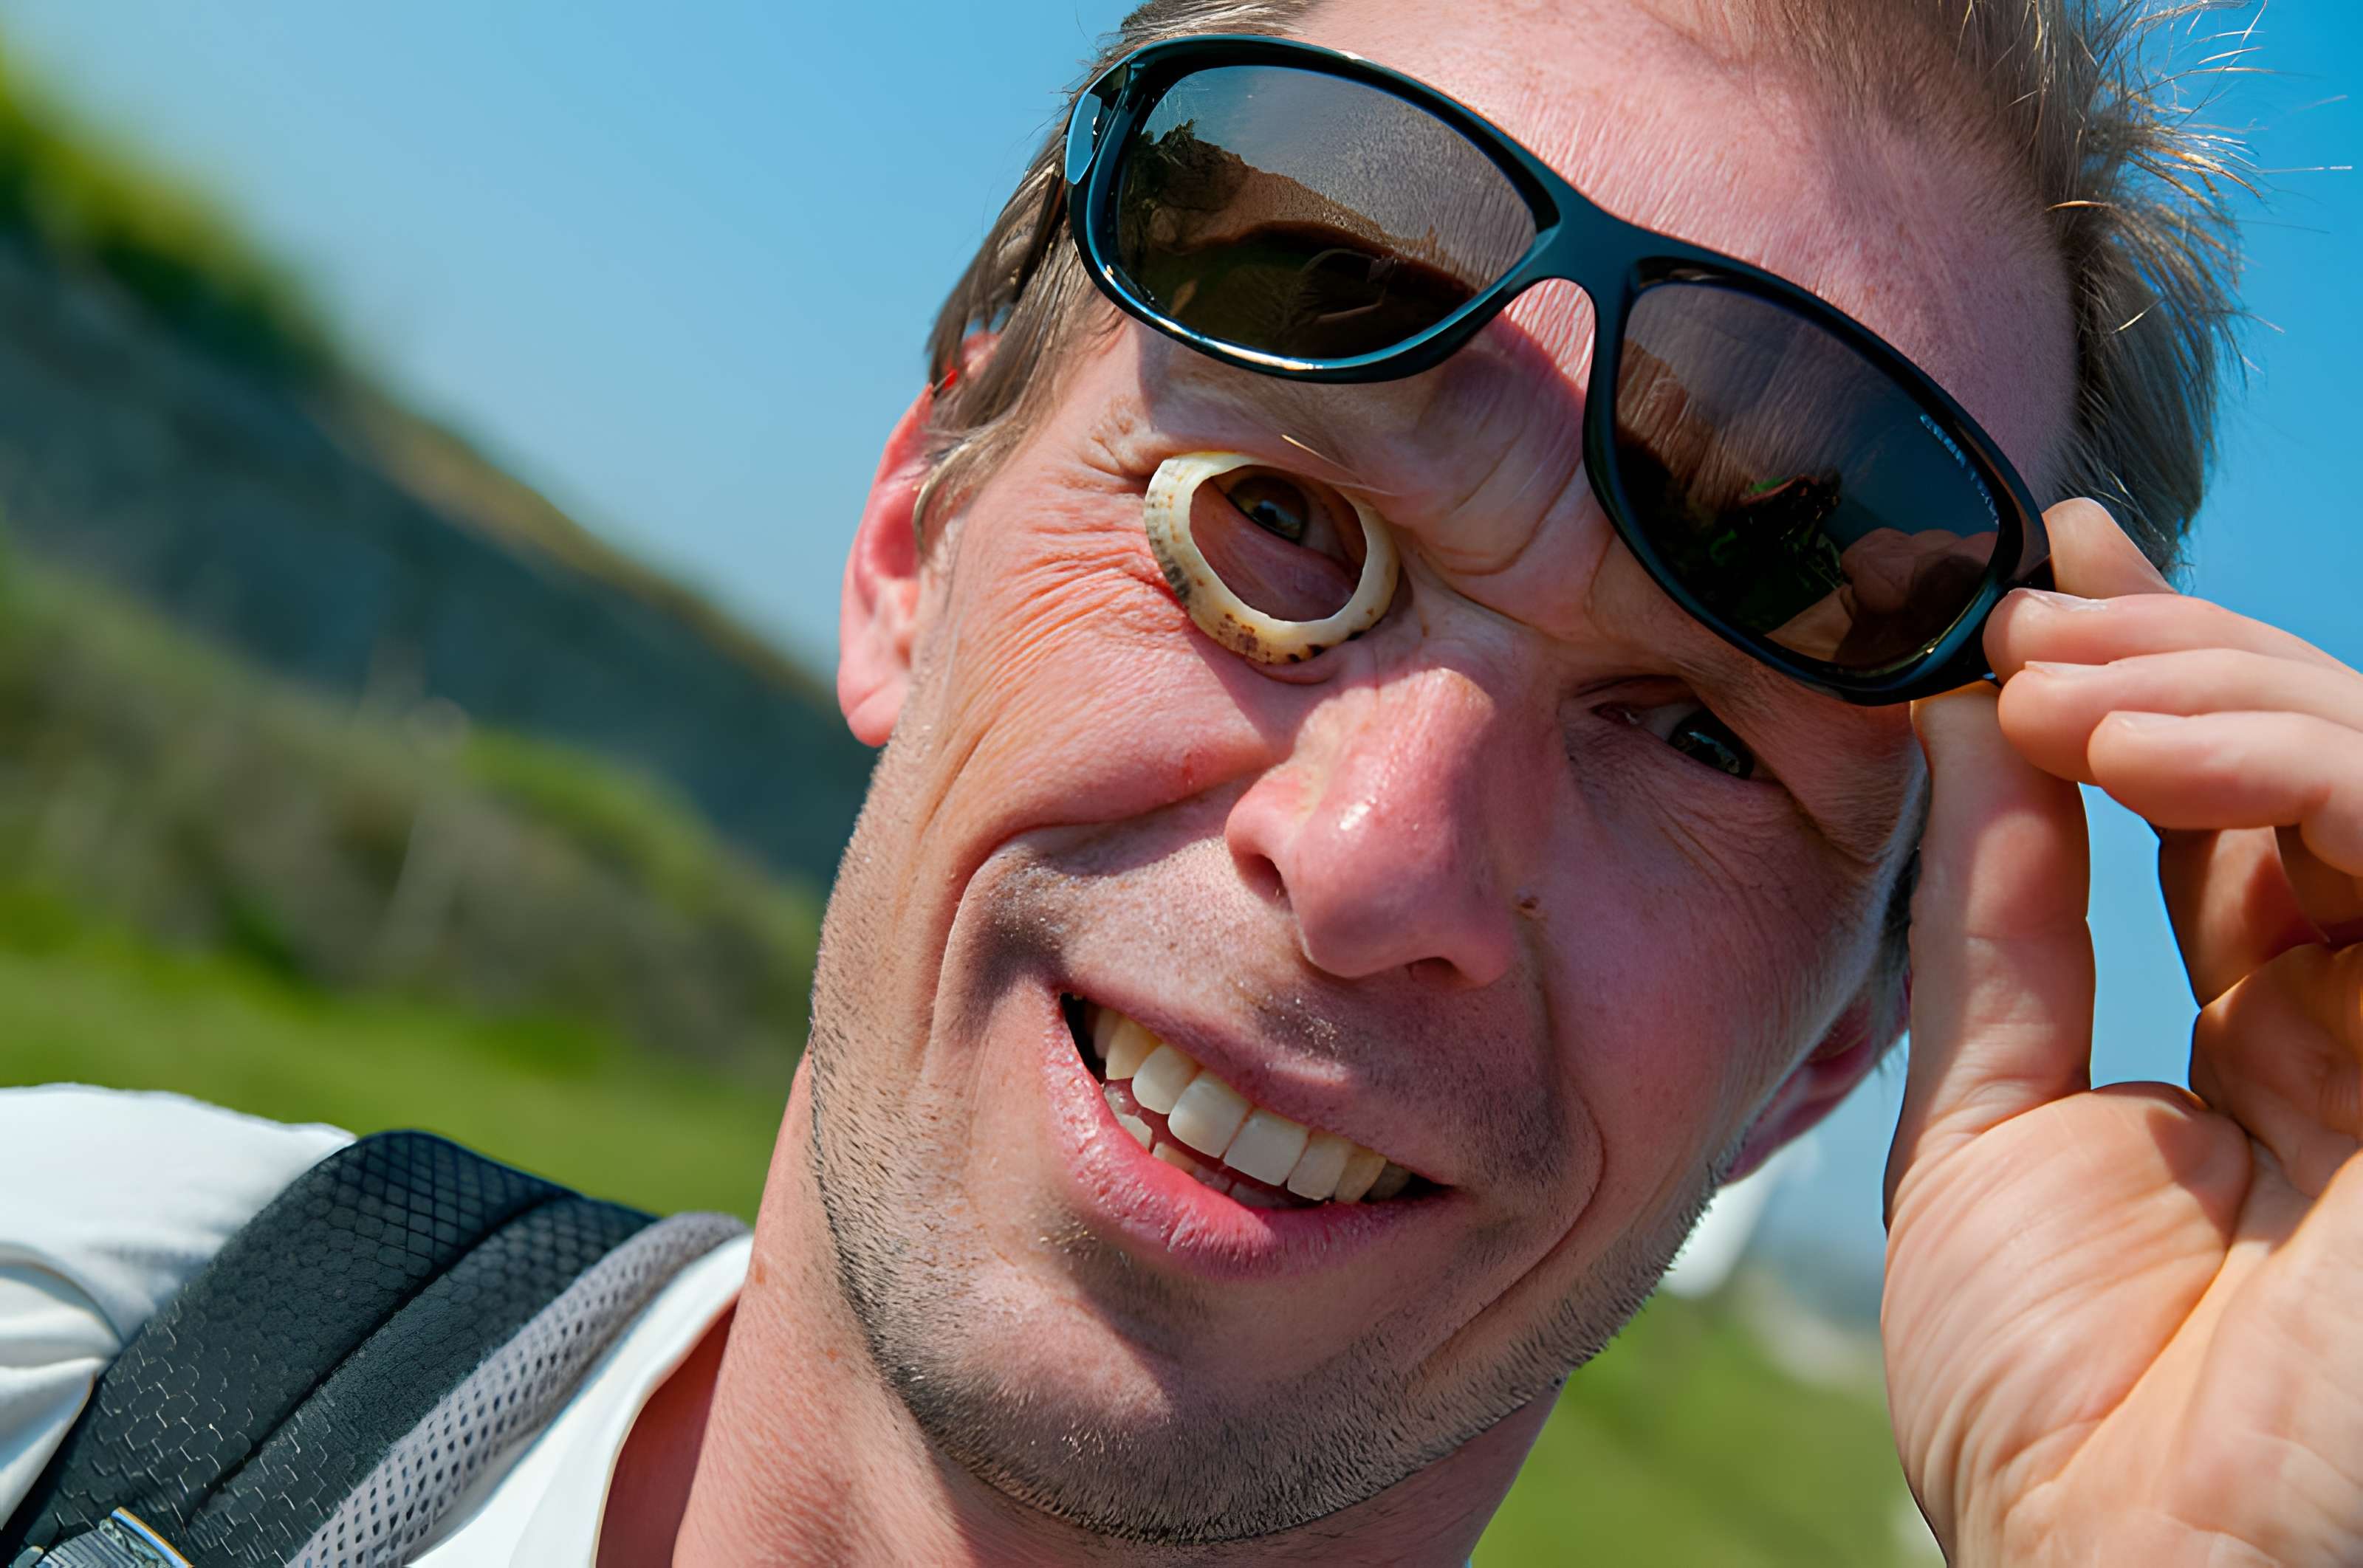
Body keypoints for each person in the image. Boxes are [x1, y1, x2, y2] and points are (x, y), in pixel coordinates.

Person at [9, 0, 2363, 1562]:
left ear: (1826, 1063)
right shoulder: (80, 1357)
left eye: (1693, 735)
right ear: (913, 541)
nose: (1369, 866)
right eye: (1279, 526)